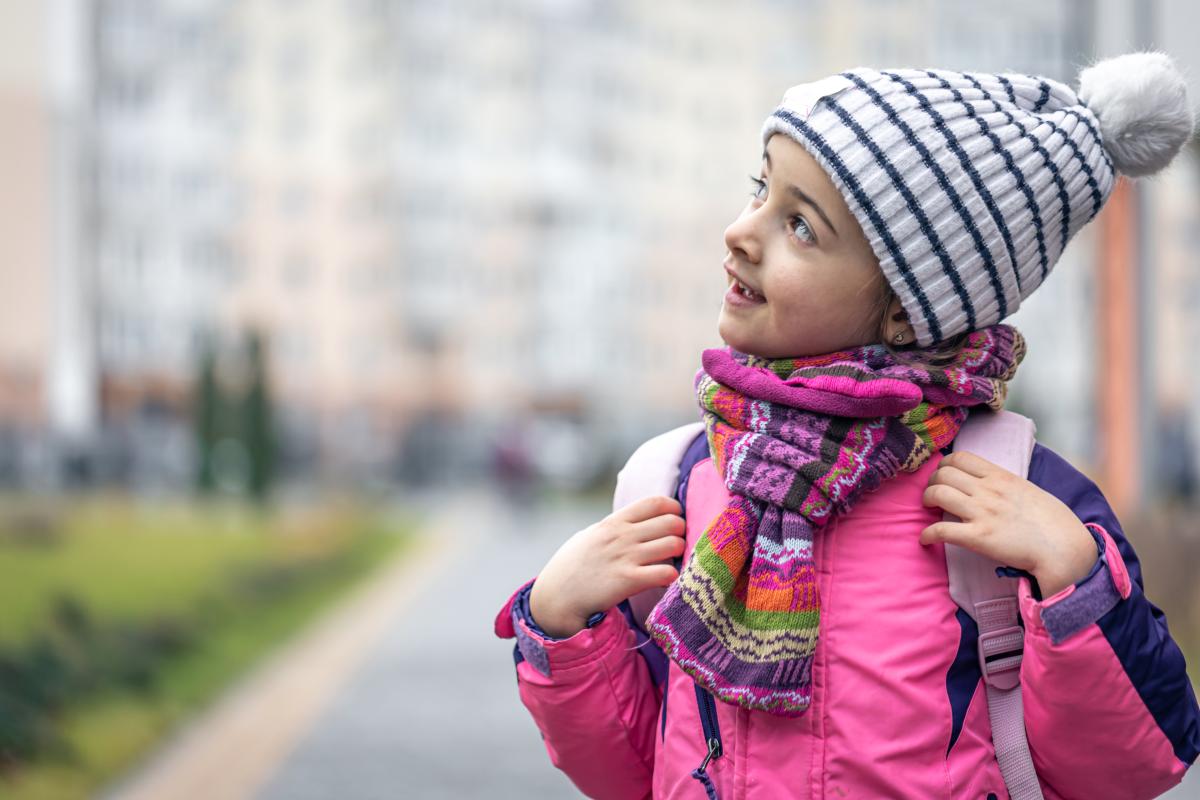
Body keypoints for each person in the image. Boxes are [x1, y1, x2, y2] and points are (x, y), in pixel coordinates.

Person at [494, 52, 1200, 799]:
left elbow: (1133, 766)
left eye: (800, 225)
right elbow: (632, 775)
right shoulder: (680, 483)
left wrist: (1076, 582)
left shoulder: (1014, 497)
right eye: (760, 188)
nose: (741, 232)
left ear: (908, 307)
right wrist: (561, 630)